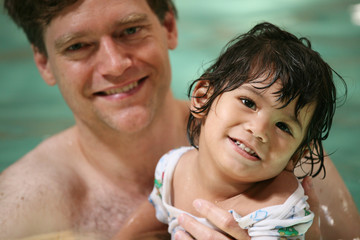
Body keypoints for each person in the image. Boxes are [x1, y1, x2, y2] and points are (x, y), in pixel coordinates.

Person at [0, 0, 359, 239]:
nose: (115, 66)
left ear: (169, 26)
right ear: (44, 62)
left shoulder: (290, 160)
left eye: (130, 30)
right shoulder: (19, 210)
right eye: (77, 46)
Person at [115, 22, 345, 240]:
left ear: (296, 155)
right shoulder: (171, 170)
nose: (259, 130)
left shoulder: (280, 208)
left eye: (283, 126)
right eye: (248, 102)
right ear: (202, 97)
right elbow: (137, 233)